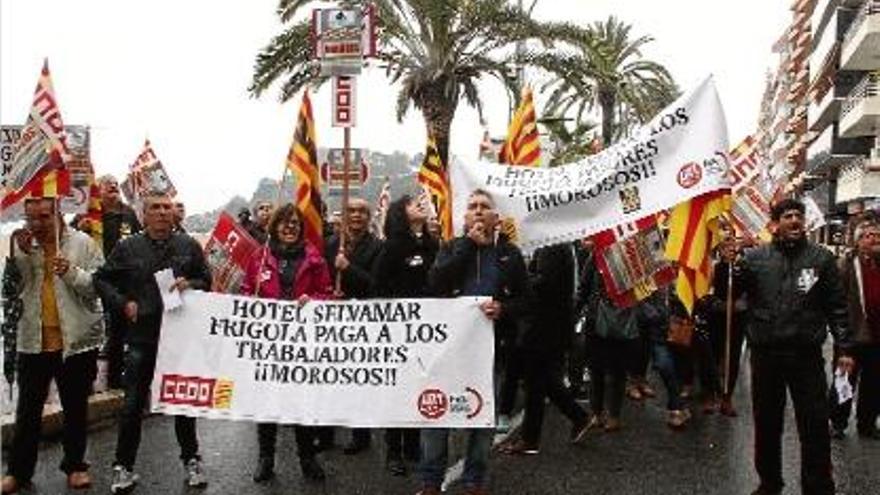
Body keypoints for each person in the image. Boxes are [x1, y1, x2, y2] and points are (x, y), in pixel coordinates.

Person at [94, 192, 213, 494]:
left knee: (183, 403)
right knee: (133, 404)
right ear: (143, 215)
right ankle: (123, 466)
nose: (162, 212)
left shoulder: (188, 245)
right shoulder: (127, 247)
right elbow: (102, 279)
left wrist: (192, 283)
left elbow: (207, 279)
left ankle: (192, 460)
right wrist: (122, 304)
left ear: (174, 212)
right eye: (155, 208)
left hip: (180, 338)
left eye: (166, 207)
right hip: (141, 339)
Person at [734, 198, 853, 495]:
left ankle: (818, 485)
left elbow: (837, 307)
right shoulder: (753, 259)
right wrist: (729, 266)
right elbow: (733, 296)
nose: (795, 220)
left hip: (806, 357)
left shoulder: (821, 259)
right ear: (774, 224)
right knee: (767, 424)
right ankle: (769, 483)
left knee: (814, 425)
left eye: (798, 216)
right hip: (765, 356)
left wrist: (845, 348)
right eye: (787, 216)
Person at [420, 189, 530, 495]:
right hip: (447, 351)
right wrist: (469, 245)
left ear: (496, 218)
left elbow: (527, 300)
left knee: (481, 420)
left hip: (490, 351)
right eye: (473, 207)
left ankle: (474, 481)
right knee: (435, 414)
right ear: (465, 217)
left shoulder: (511, 254)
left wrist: (504, 309)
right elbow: (436, 284)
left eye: (485, 207)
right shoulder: (452, 247)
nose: (479, 211)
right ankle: (430, 481)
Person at [1, 198, 104, 494]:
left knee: (75, 408)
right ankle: (18, 472)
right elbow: (11, 291)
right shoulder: (21, 243)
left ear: (58, 213)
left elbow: (99, 286)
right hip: (32, 340)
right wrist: (18, 257)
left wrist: (71, 272)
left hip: (76, 340)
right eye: (30, 217)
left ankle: (75, 466)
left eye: (44, 217)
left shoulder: (83, 243)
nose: (37, 224)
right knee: (27, 410)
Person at [241, 203, 333, 483]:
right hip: (269, 341)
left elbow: (327, 294)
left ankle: (307, 457)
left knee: (301, 402)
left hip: (303, 343)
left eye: (295, 223)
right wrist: (250, 300)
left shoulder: (315, 258)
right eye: (285, 222)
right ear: (275, 226)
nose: (290, 226)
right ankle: (265, 457)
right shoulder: (259, 257)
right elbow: (246, 291)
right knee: (267, 401)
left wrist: (312, 301)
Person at [499, 243, 590, 455]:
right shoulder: (551, 244)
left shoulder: (553, 245)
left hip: (545, 326)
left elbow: (544, 283)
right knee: (540, 380)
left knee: (536, 383)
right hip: (546, 325)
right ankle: (577, 417)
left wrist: (514, 282)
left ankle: (531, 439)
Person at [372, 194, 439, 475]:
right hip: (399, 332)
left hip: (426, 333)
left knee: (418, 386)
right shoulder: (393, 246)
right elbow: (378, 285)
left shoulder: (433, 245)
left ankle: (412, 445)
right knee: (398, 390)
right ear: (401, 213)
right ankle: (393, 451)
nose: (420, 205)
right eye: (413, 204)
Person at [324, 197, 383, 455]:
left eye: (361, 211)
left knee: (358, 379)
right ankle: (326, 434)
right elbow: (322, 277)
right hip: (333, 319)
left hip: (362, 322)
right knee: (329, 377)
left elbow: (376, 285)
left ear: (368, 217)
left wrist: (348, 269)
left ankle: (361, 435)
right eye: (351, 211)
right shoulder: (331, 244)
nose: (356, 215)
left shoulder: (379, 247)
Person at [576, 247, 638, 433]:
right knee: (596, 370)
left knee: (617, 371)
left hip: (621, 320)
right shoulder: (596, 255)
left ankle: (614, 415)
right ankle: (597, 412)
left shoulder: (631, 254)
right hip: (596, 321)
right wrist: (577, 310)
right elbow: (584, 287)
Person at [830, 217, 880, 439]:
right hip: (851, 337)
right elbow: (835, 301)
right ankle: (838, 422)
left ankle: (867, 424)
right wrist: (841, 336)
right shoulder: (845, 265)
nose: (875, 239)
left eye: (878, 235)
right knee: (844, 379)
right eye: (869, 236)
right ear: (858, 241)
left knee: (874, 384)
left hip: (877, 337)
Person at [96, 174, 142, 389]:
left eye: (116, 184)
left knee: (119, 331)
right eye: (108, 184)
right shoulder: (89, 215)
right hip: (96, 278)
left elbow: (140, 240)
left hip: (123, 282)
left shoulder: (129, 214)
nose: (114, 186)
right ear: (98, 190)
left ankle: (116, 379)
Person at [709, 235, 748, 417]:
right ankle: (711, 394)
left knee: (732, 358)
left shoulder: (743, 268)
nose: (731, 248)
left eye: (734, 244)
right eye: (726, 244)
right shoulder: (714, 268)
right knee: (714, 355)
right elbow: (707, 292)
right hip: (716, 318)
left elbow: (751, 291)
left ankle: (727, 397)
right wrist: (719, 305)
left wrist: (739, 304)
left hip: (737, 319)